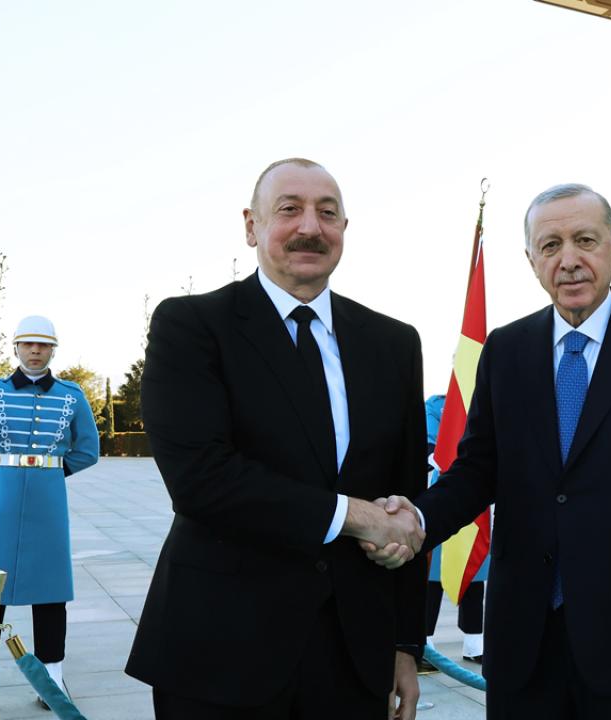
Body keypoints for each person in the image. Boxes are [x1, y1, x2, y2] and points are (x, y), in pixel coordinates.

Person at [368, 184, 611, 719]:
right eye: (550, 245)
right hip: (526, 642)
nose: (569, 260)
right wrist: (417, 518)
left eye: (585, 240)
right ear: (531, 260)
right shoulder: (506, 349)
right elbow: (477, 470)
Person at [125, 158, 428, 719]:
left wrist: (406, 644)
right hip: (221, 652)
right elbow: (201, 480)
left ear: (344, 229)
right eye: (289, 209)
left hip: (354, 659)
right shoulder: (192, 326)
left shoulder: (394, 343)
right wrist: (355, 515)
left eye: (327, 213)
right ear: (252, 226)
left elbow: (406, 498)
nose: (310, 227)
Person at [0, 315, 100, 715]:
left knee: (51, 592)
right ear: (16, 347)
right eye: (29, 344)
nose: (36, 351)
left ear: (53, 350)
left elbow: (88, 450)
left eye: (43, 345)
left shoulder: (72, 395)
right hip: (0, 496)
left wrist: (50, 474)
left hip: (47, 501)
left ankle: (52, 682)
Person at [421, 395, 488, 666]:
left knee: (474, 570)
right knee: (434, 575)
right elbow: (430, 448)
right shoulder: (436, 404)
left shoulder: (483, 398)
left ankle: (474, 640)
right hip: (445, 492)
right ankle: (424, 640)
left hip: (477, 500)